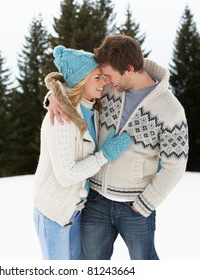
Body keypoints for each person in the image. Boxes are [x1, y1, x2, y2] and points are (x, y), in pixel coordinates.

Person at [47, 35, 189, 260]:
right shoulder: (110, 89)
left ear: (129, 69)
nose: (105, 81)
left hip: (135, 207)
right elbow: (77, 84)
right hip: (95, 202)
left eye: (109, 75)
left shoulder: (171, 110)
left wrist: (145, 204)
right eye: (102, 76)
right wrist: (55, 97)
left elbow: (176, 166)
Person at [33, 45, 131, 260]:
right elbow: (66, 175)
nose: (103, 82)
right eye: (97, 78)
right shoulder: (61, 120)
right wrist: (105, 155)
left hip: (77, 210)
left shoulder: (91, 108)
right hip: (55, 212)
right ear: (81, 81)